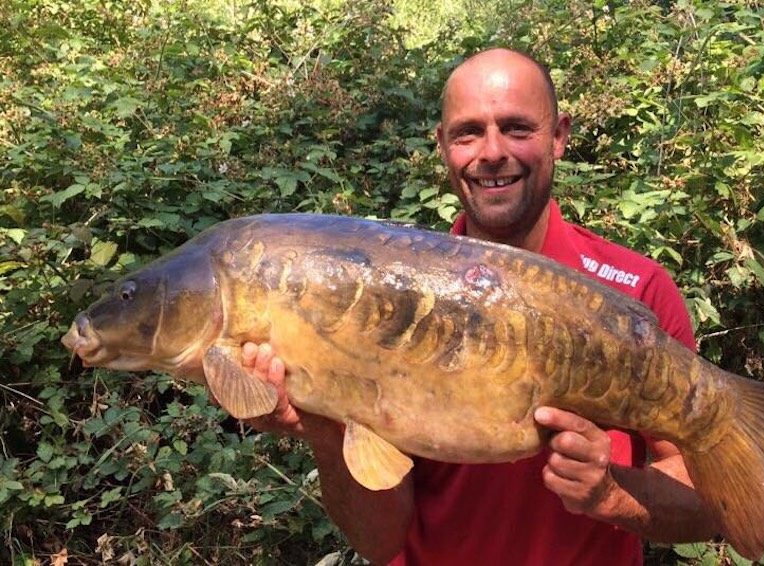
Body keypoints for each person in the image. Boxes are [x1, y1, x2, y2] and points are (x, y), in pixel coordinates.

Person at [239, 48, 719, 565]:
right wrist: (321, 428)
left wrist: (611, 494)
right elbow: (380, 542)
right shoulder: (393, 299)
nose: (491, 152)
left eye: (516, 128)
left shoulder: (637, 291)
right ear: (443, 146)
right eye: (468, 133)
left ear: (558, 135)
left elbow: (711, 504)